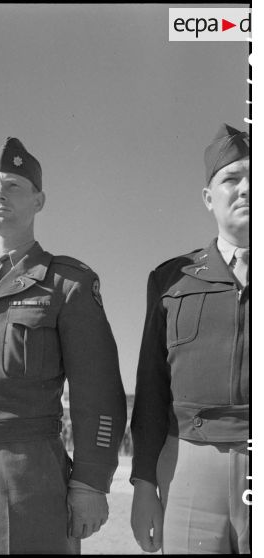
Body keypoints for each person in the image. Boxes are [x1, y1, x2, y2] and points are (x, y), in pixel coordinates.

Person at [0, 137, 126, 554]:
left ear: (39, 200)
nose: (0, 196)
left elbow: (98, 394)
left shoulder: (68, 284)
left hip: (28, 472)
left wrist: (90, 482)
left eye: (13, 186)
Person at [130, 123, 250, 554]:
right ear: (208, 197)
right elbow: (151, 391)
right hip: (190, 466)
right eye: (231, 178)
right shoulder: (171, 280)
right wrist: (144, 483)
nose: (246, 189)